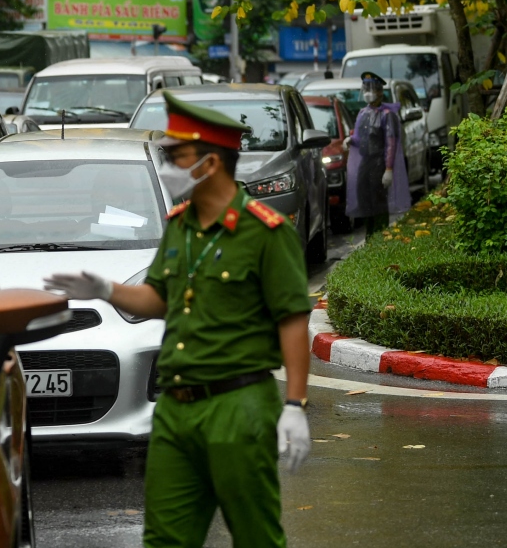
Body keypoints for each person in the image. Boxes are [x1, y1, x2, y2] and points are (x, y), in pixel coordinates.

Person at [44, 91, 312, 548]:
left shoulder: (264, 232)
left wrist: (294, 405)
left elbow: (292, 319)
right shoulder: (180, 225)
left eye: (176, 156)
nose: (167, 165)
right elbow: (160, 298)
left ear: (209, 163)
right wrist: (105, 289)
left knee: (256, 536)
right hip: (174, 411)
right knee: (165, 538)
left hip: (238, 406)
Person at [344, 71, 409, 238]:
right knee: (363, 196)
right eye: (365, 88)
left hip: (379, 163)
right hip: (365, 162)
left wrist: (388, 168)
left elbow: (391, 143)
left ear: (380, 92)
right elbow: (361, 138)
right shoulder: (363, 113)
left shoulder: (387, 115)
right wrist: (350, 140)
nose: (367, 92)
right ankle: (369, 234)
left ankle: (380, 235)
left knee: (378, 201)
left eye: (371, 88)